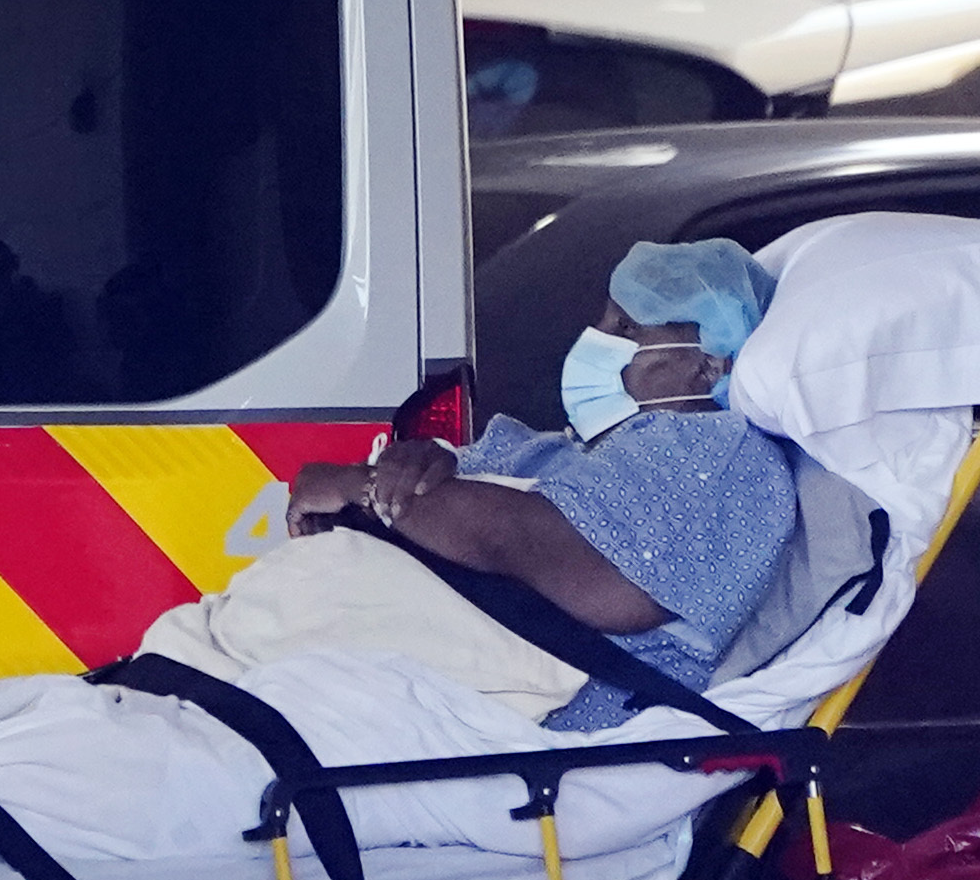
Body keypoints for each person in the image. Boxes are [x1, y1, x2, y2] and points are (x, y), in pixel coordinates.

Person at [278, 236, 805, 724]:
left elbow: (580, 571)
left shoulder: (723, 454)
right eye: (602, 321)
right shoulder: (558, 449)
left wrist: (366, 487)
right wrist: (414, 465)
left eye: (627, 329)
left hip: (531, 752)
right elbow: (461, 494)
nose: (596, 340)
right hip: (400, 684)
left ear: (709, 365)